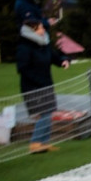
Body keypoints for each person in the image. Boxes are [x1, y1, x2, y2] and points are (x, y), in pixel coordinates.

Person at [17, 13, 70, 154]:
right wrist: (38, 81)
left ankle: (44, 143)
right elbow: (22, 68)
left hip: (46, 84)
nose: (43, 30)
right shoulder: (24, 48)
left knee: (49, 113)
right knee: (44, 114)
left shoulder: (44, 44)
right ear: (32, 31)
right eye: (40, 28)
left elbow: (55, 57)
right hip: (33, 87)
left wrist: (63, 60)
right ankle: (35, 143)